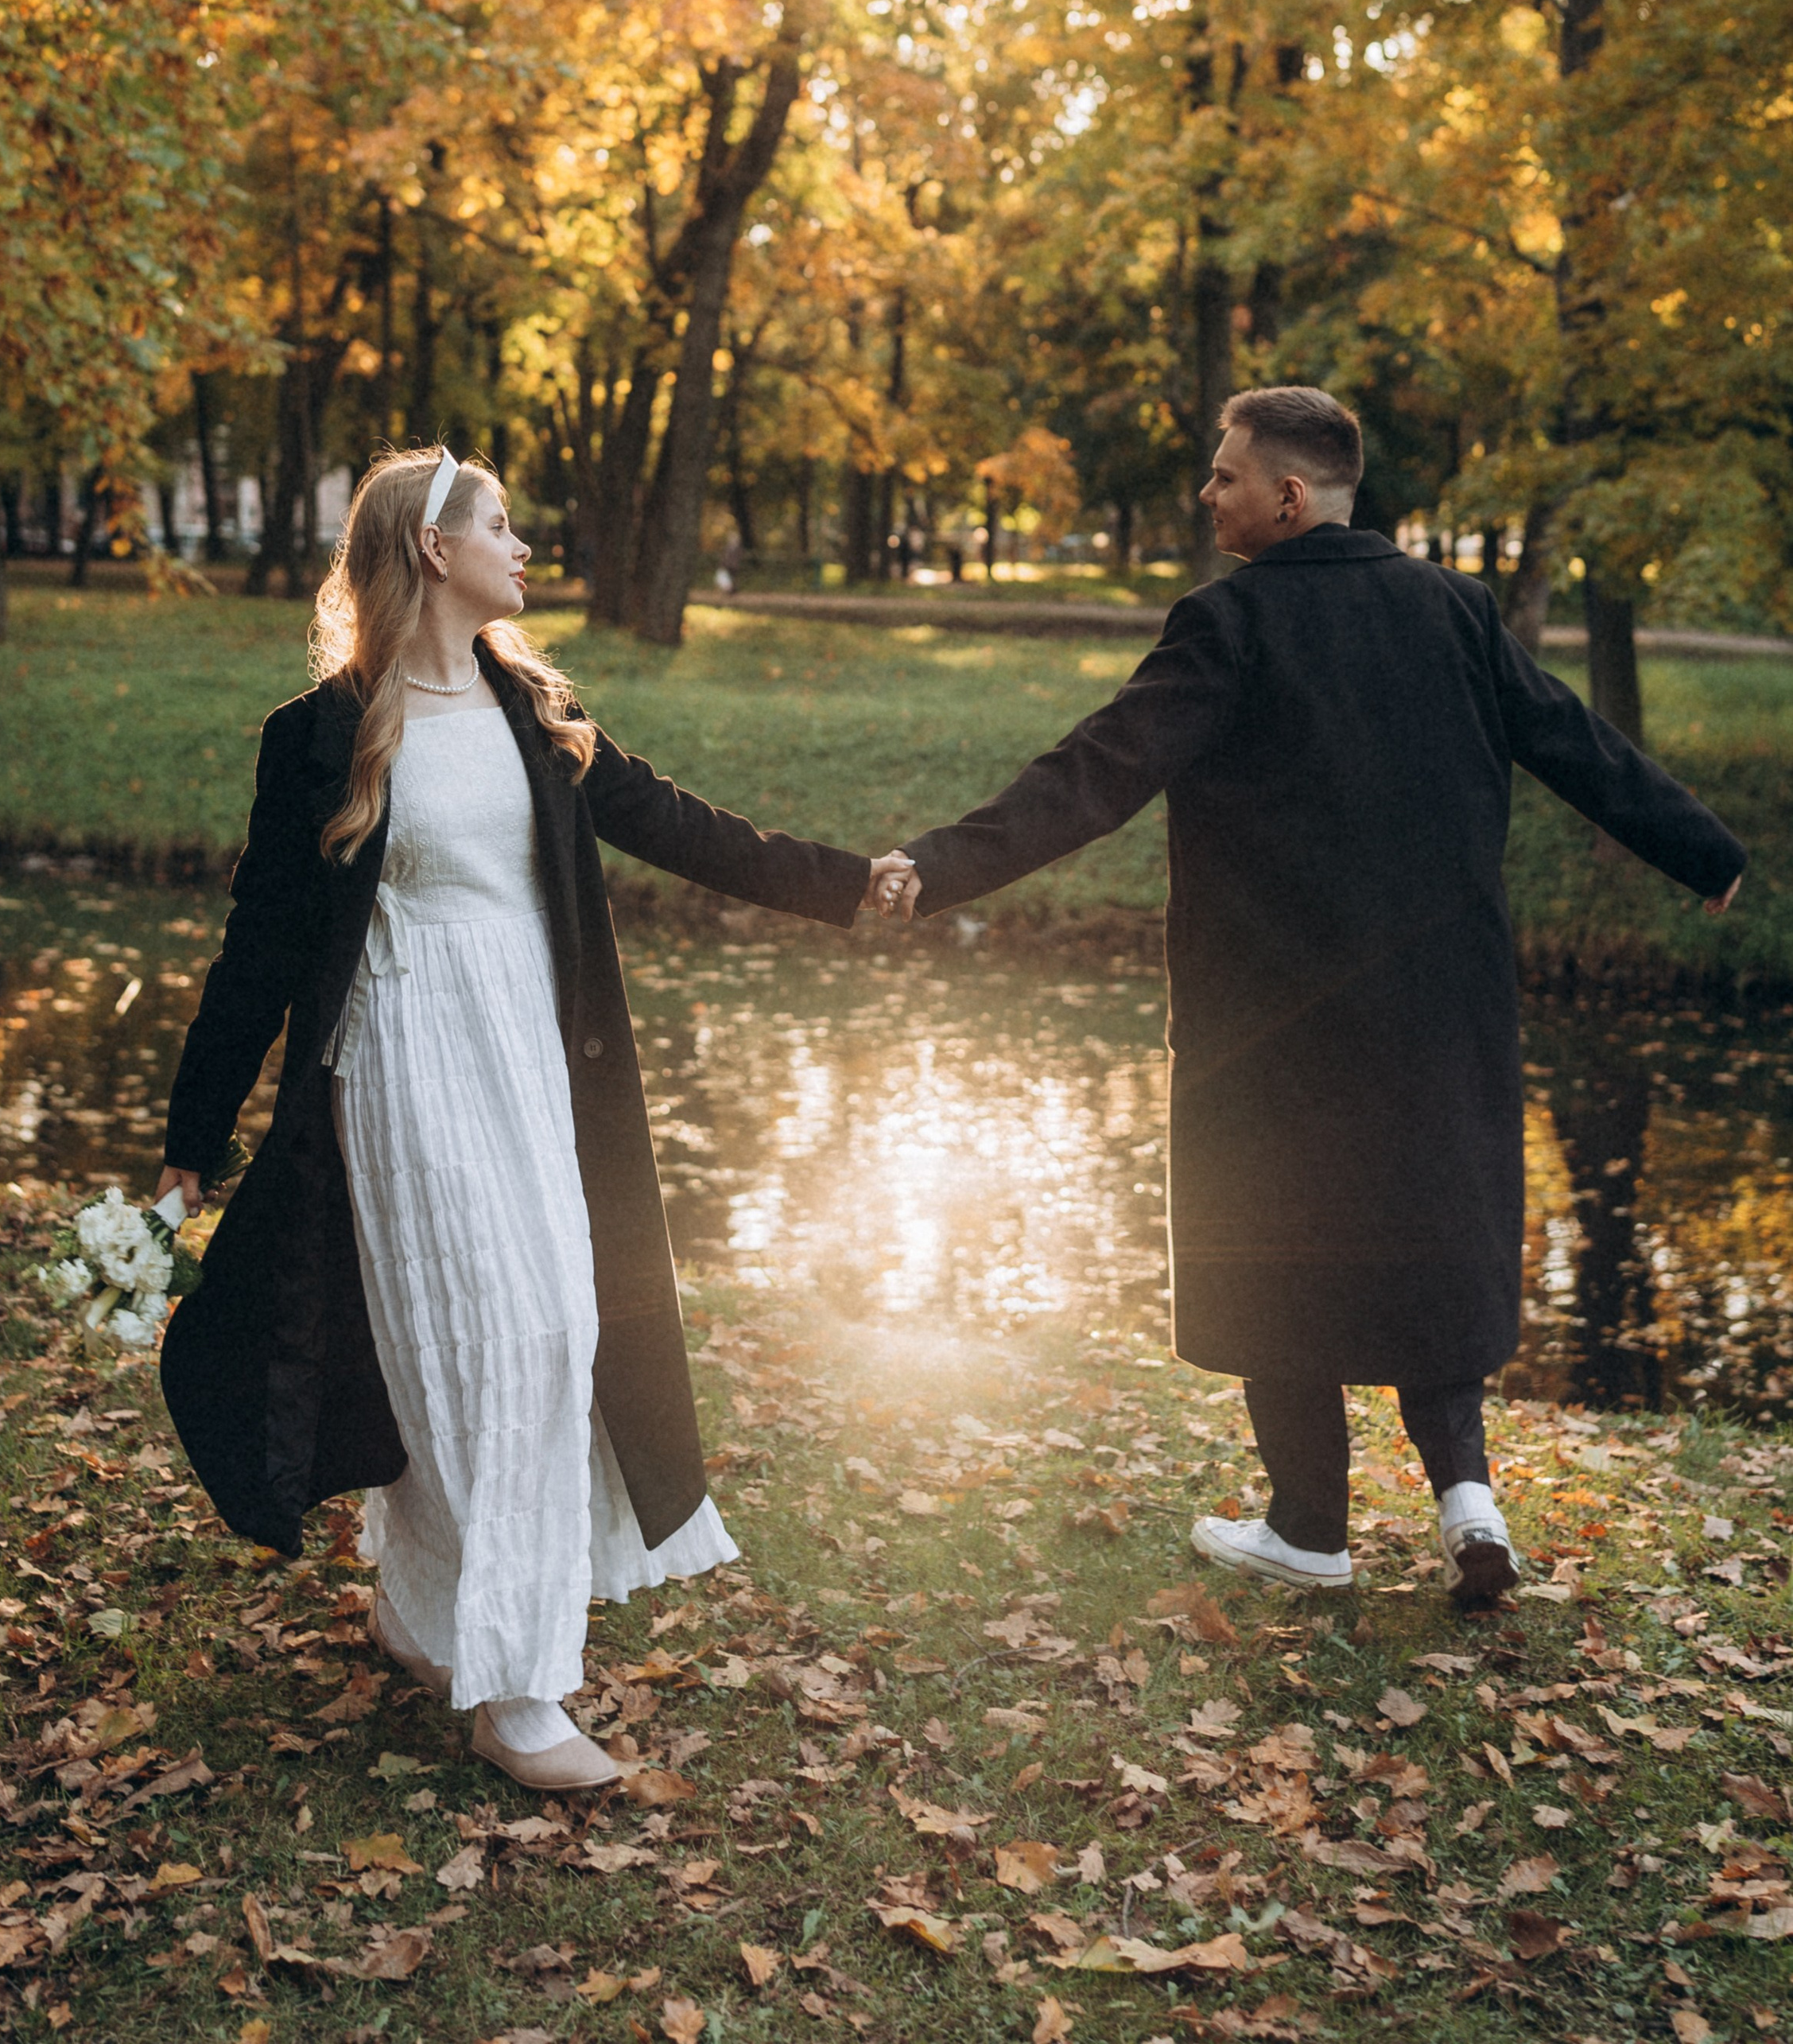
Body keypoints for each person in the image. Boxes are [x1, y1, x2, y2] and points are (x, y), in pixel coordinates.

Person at [869, 387, 1744, 1602]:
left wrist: (939, 865)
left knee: (1274, 1249)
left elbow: (1096, 773)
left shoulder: (1228, 622)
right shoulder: (1453, 607)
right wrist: (1706, 853)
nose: (1207, 494)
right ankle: (1469, 1505)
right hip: (1441, 1012)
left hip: (1275, 1025)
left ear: (1288, 496)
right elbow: (1571, 739)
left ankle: (1311, 1531)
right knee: (1431, 1233)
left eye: (1225, 476)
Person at [157, 445, 876, 1790]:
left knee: (551, 1333)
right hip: (401, 1060)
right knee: (480, 1342)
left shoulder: (534, 708)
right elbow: (259, 947)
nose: (523, 545)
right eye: (500, 524)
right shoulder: (322, 733)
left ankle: (426, 1616)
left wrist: (853, 886)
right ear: (434, 550)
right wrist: (191, 1143)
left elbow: (680, 826)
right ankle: (517, 1694)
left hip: (531, 1065)